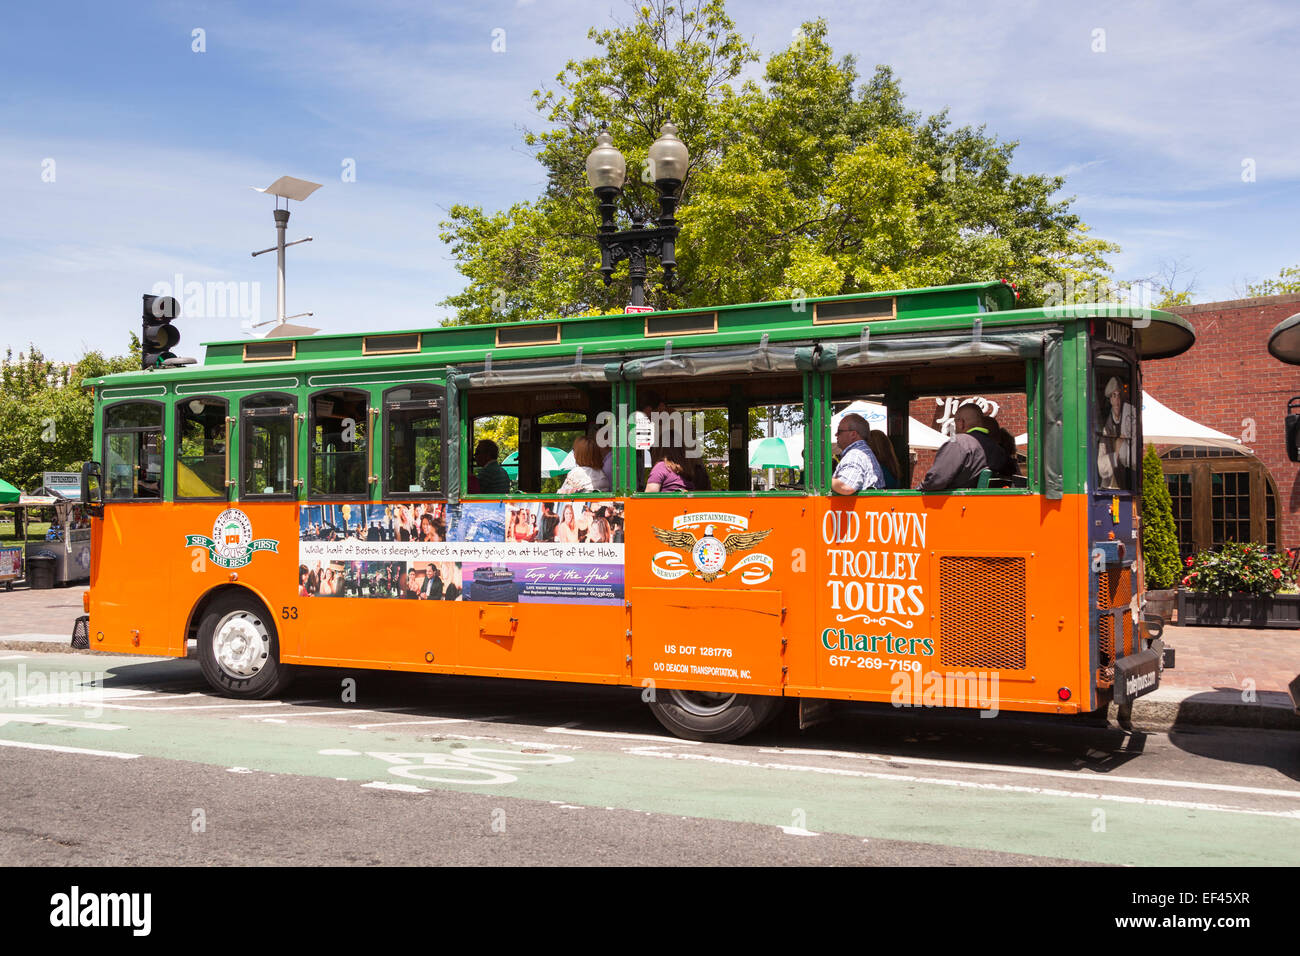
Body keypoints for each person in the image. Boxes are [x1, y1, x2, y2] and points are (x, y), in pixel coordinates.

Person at [916, 403, 998, 491]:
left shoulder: (958, 442)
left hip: (957, 502)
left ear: (961, 423)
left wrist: (922, 486)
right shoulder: (997, 448)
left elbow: (936, 480)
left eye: (955, 423)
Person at [831, 413, 885, 494]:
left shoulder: (855, 454)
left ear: (853, 434)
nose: (836, 434)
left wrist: (822, 481)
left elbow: (845, 486)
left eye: (839, 431)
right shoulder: (862, 452)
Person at [1097, 376, 1135, 489]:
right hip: (1110, 487)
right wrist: (1116, 452)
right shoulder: (1106, 429)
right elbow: (1101, 468)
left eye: (1119, 395)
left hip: (1127, 485)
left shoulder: (1130, 421)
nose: (1117, 400)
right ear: (1110, 399)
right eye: (1114, 395)